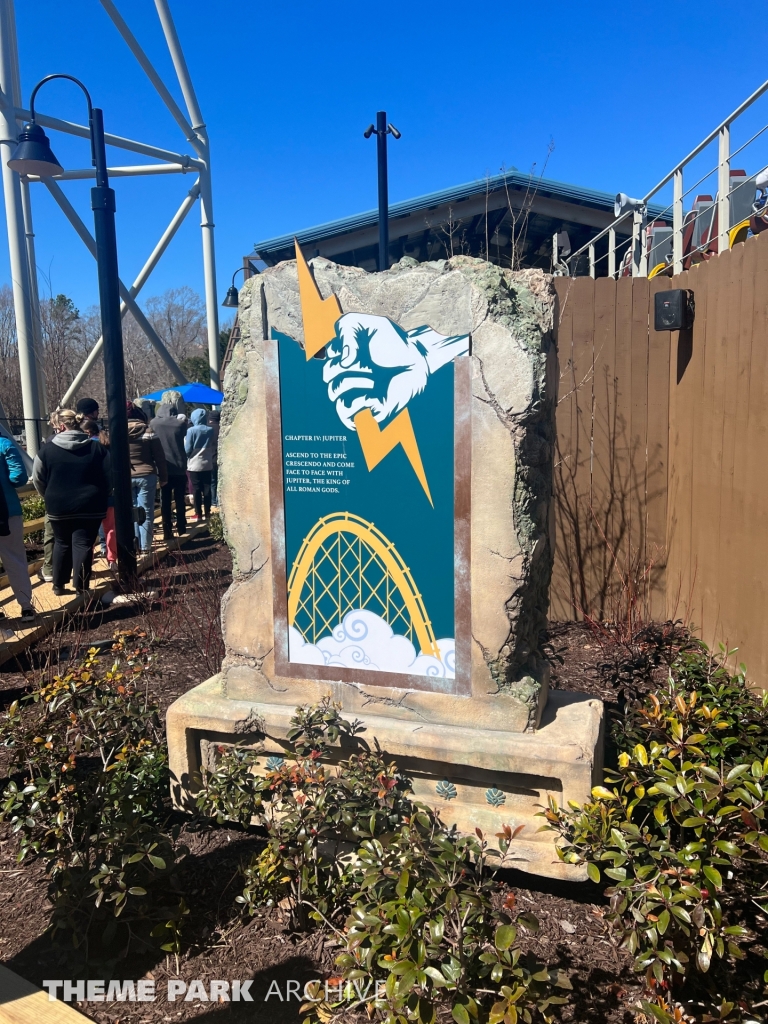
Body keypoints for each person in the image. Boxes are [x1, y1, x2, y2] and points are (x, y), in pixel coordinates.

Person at [32, 409, 110, 597]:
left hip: (58, 504)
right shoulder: (97, 448)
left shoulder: (46, 450)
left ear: (60, 426)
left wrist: (49, 495)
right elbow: (109, 476)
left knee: (61, 542)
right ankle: (82, 587)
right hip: (90, 504)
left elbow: (38, 478)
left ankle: (58, 585)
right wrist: (103, 495)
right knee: (83, 544)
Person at [0, 431, 35, 622]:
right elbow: (19, 477)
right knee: (15, 559)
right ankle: (26, 607)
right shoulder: (4, 444)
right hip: (7, 510)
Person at [127, 403, 167, 555]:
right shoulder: (149, 431)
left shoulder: (117, 433)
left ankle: (135, 544)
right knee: (146, 512)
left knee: (131, 511)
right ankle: (146, 547)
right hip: (147, 474)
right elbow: (160, 457)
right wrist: (163, 477)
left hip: (127, 476)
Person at [150, 399, 188, 541]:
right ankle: (182, 526)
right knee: (180, 498)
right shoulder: (180, 425)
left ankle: (167, 530)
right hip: (179, 465)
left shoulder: (153, 423)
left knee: (165, 500)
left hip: (163, 467)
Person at [184, 409, 215, 521]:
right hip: (207, 462)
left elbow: (187, 449)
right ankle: (207, 512)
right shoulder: (210, 430)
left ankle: (198, 513)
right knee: (207, 488)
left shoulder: (191, 430)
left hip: (194, 463)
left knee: (196, 489)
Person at [208, 408, 221, 508]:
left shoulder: (207, 429)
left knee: (212, 481)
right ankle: (220, 500)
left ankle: (213, 501)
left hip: (209, 458)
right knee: (220, 480)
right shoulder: (221, 428)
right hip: (220, 458)